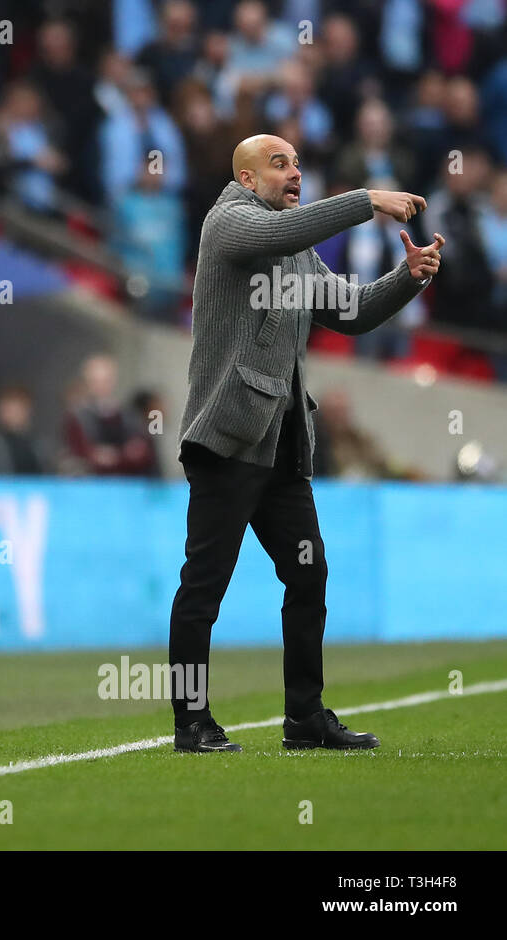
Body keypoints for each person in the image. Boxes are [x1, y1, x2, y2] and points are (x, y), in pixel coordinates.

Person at [169, 133, 442, 753]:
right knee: (205, 585)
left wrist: (409, 278)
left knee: (308, 573)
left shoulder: (294, 245)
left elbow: (351, 310)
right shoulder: (231, 224)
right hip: (229, 438)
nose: (294, 173)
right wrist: (368, 199)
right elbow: (274, 236)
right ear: (244, 179)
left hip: (282, 445)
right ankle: (191, 722)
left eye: (297, 163)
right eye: (279, 164)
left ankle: (304, 719)